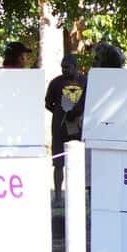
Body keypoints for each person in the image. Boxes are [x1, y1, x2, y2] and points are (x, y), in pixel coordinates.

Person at [45, 54, 86, 204]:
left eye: (67, 67)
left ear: (75, 67)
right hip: (59, 127)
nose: (64, 70)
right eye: (62, 67)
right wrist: (61, 112)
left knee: (77, 161)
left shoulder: (85, 81)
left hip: (78, 127)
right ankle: (57, 196)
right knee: (58, 163)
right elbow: (48, 103)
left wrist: (76, 113)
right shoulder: (56, 83)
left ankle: (77, 195)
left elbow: (89, 100)